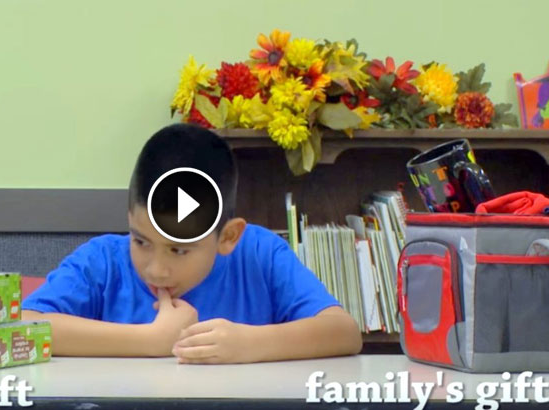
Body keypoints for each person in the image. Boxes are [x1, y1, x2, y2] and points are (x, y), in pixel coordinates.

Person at [22, 123, 362, 363]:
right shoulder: (102, 261)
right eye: (141, 241)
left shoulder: (260, 254)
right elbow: (21, 326)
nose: (156, 269)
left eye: (179, 249)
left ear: (228, 237)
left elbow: (344, 332)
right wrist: (150, 341)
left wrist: (248, 344)